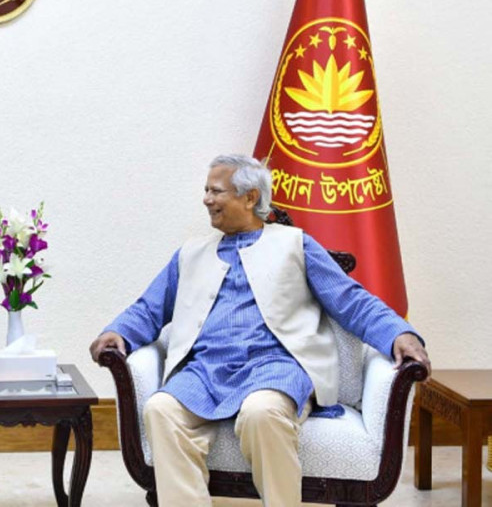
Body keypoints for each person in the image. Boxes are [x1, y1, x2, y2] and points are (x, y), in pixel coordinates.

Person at [89, 154, 430, 506]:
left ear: (250, 197)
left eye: (216, 191)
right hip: (205, 369)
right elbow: (149, 308)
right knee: (161, 410)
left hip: (275, 367)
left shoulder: (295, 244)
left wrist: (398, 334)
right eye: (205, 190)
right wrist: (120, 332)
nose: (206, 199)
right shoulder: (190, 253)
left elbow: (351, 300)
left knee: (262, 412)